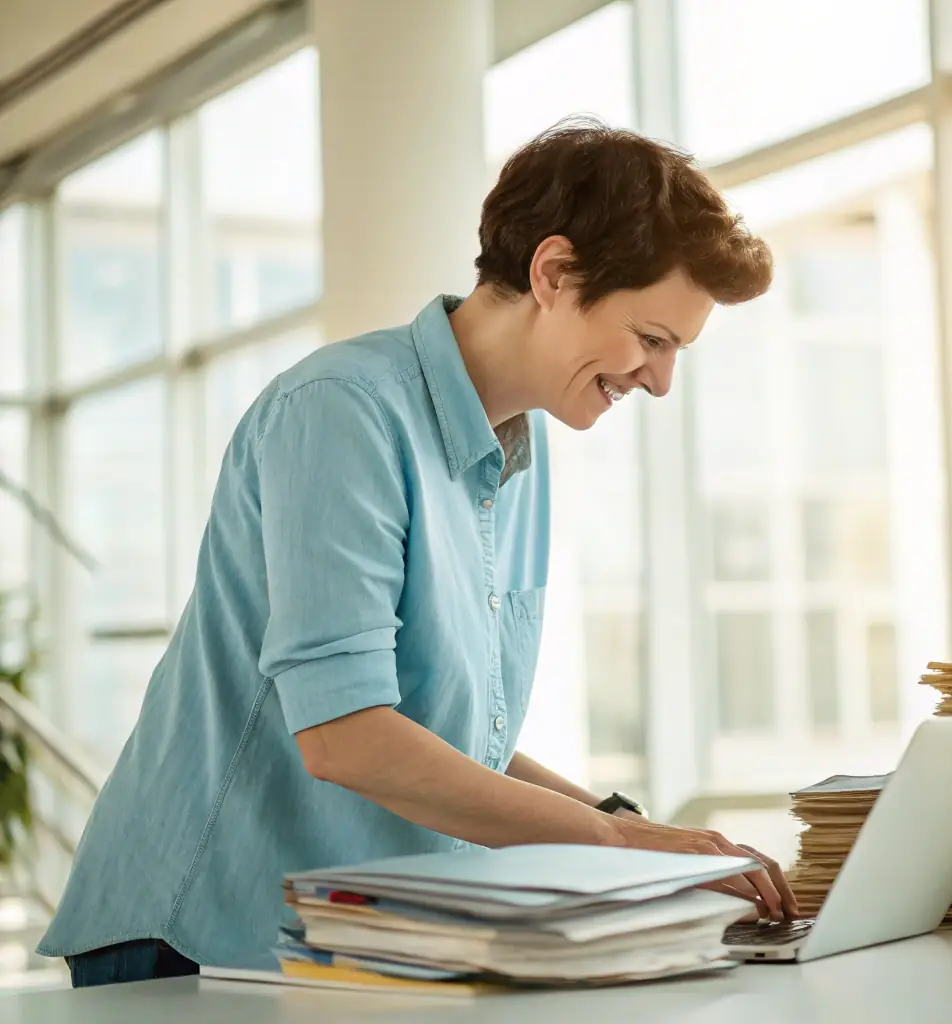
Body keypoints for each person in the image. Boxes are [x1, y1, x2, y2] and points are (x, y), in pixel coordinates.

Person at [38, 120, 798, 987]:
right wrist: (625, 844)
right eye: (651, 339)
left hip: (349, 942)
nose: (659, 380)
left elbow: (447, 730)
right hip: (195, 933)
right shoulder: (342, 410)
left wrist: (628, 826)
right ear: (553, 274)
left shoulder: (521, 448)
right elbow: (347, 736)